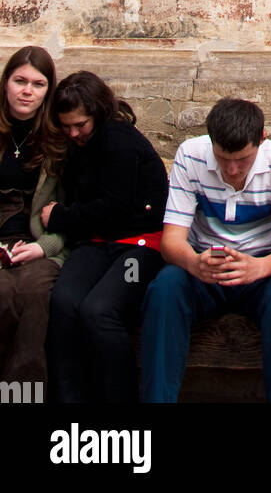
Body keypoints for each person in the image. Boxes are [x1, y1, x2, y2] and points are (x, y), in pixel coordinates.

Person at [140, 96, 271, 404]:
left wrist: (258, 267)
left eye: (242, 160)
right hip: (204, 263)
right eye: (222, 159)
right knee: (165, 288)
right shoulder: (190, 155)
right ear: (210, 141)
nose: (232, 170)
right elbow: (171, 242)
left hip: (263, 268)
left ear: (261, 139)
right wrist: (193, 263)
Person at [45, 71, 168, 403]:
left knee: (99, 310)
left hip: (141, 244)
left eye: (80, 125)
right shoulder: (77, 147)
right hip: (97, 242)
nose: (73, 133)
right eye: (66, 126)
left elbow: (114, 208)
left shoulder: (119, 140)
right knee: (64, 301)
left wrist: (59, 217)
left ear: (97, 113)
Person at [0, 46, 65, 391]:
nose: (27, 91)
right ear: (5, 84)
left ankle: (21, 397)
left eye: (38, 84)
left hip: (38, 245)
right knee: (2, 294)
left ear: (48, 91)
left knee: (37, 295)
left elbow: (72, 212)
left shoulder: (58, 140)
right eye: (19, 81)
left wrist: (45, 247)